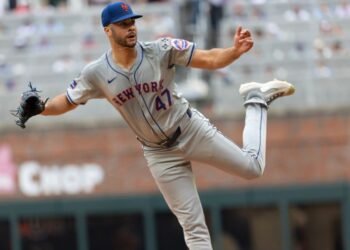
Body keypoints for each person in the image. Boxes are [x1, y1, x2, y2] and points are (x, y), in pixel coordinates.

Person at [38, 2, 295, 249]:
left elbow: (210, 59)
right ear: (108, 30)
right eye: (123, 24)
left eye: (132, 22)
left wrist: (234, 51)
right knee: (193, 226)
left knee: (252, 168)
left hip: (190, 130)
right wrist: (40, 107)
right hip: (159, 154)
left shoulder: (160, 49)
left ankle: (256, 100)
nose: (131, 27)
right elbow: (67, 101)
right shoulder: (96, 73)